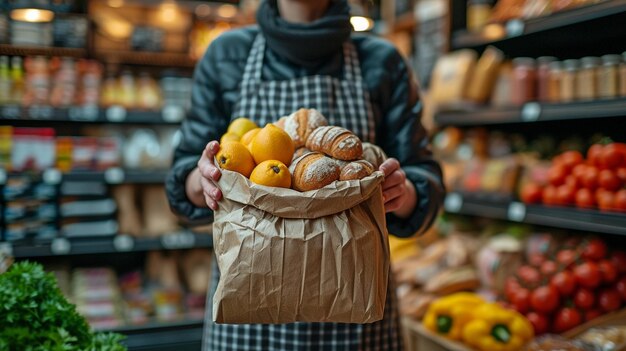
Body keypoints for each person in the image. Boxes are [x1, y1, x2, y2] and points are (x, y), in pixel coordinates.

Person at [165, 0, 445, 349]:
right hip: (249, 310)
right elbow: (184, 173)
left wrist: (402, 194)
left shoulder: (382, 60)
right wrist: (202, 179)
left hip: (354, 312)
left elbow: (425, 178)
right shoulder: (227, 55)